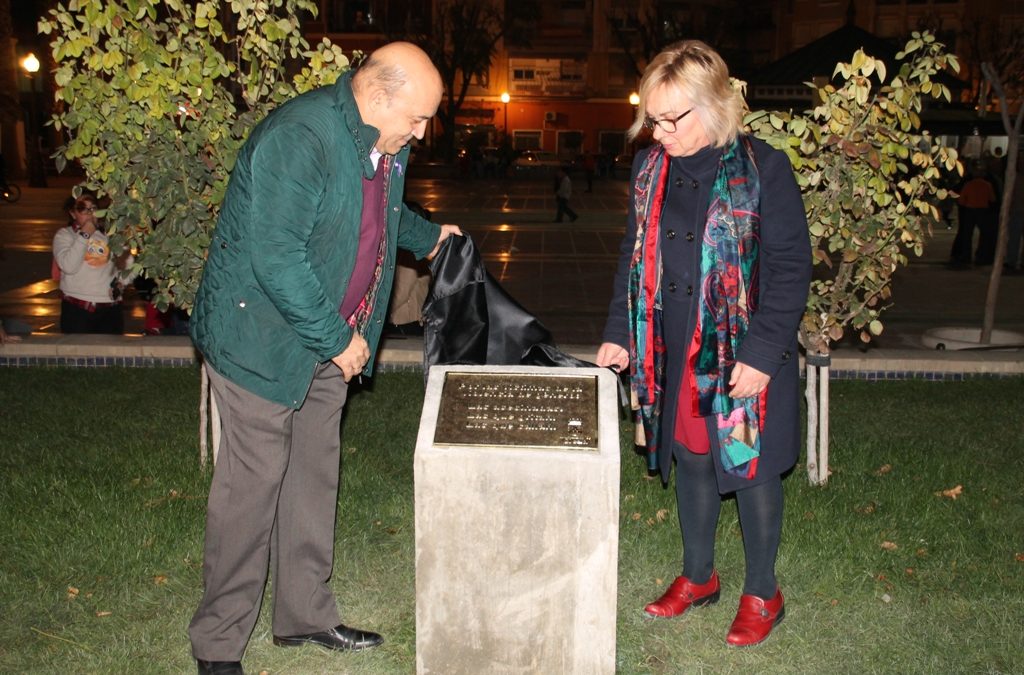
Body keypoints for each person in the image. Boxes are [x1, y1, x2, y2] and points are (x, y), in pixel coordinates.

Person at [187, 42, 461, 675]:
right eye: (418, 118)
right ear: (378, 95)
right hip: (260, 339)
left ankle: (304, 615)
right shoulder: (300, 138)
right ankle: (218, 645)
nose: (422, 132)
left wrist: (430, 237)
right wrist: (339, 340)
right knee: (251, 490)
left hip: (328, 339)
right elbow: (277, 258)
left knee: (312, 476)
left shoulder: (384, 140)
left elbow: (379, 215)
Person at [595, 40, 811, 647]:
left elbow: (790, 268)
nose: (659, 133)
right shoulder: (649, 169)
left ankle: (763, 592)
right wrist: (619, 333)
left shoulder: (763, 168)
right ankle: (699, 577)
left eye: (672, 119)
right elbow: (633, 256)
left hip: (739, 353)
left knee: (748, 465)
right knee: (690, 457)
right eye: (652, 119)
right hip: (674, 350)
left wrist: (763, 355)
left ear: (713, 105)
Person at [52, 194, 133, 334]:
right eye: (82, 209)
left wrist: (121, 283)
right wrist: (84, 235)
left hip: (109, 309)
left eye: (93, 208)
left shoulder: (110, 235)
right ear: (73, 213)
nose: (89, 213)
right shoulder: (65, 235)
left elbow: (129, 263)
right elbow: (69, 267)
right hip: (78, 308)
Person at [950, 165, 997, 267]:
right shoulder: (987, 185)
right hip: (983, 211)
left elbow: (961, 200)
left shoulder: (968, 184)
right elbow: (992, 199)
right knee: (984, 235)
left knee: (967, 235)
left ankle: (966, 256)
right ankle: (981, 256)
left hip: (970, 210)